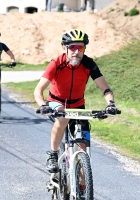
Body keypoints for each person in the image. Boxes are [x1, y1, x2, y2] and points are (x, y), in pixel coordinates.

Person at [34, 29, 118, 174]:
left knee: (83, 148)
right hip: (57, 102)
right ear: (64, 47)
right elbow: (38, 90)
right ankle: (53, 155)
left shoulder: (89, 64)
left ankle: (81, 186)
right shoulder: (56, 63)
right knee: (63, 117)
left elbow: (105, 89)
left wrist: (111, 104)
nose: (76, 51)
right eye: (72, 47)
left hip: (78, 105)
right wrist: (43, 105)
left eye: (81, 47)